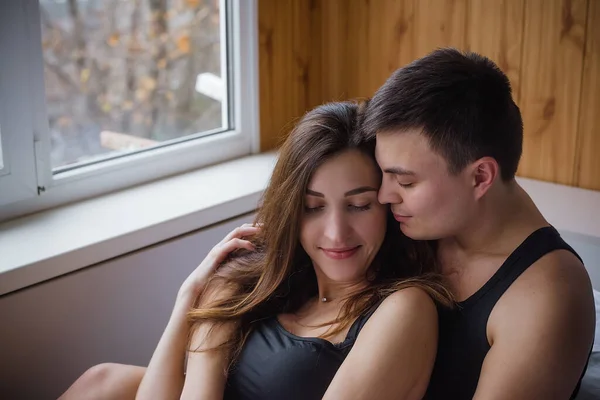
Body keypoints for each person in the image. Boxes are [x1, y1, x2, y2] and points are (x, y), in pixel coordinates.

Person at [59, 101, 453, 400]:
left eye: (359, 205)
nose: (336, 233)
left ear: (386, 204)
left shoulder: (404, 307)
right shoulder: (260, 282)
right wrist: (190, 302)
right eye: (312, 207)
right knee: (101, 381)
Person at [362, 47, 596, 399]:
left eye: (406, 182)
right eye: (383, 174)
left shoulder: (547, 297)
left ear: (480, 177)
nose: (383, 196)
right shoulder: (414, 220)